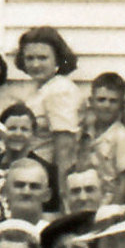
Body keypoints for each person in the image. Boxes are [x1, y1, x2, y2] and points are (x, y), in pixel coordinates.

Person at [14, 27, 83, 181]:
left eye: (42, 58)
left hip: (48, 171)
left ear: (57, 59)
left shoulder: (60, 90)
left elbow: (65, 148)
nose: (36, 64)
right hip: (32, 169)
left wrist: (62, 193)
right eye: (30, 58)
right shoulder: (39, 88)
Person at [80, 74, 125, 203]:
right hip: (84, 196)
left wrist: (113, 210)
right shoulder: (86, 131)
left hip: (108, 199)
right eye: (101, 99)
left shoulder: (121, 136)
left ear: (122, 104)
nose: (106, 105)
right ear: (91, 101)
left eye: (113, 101)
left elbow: (124, 181)